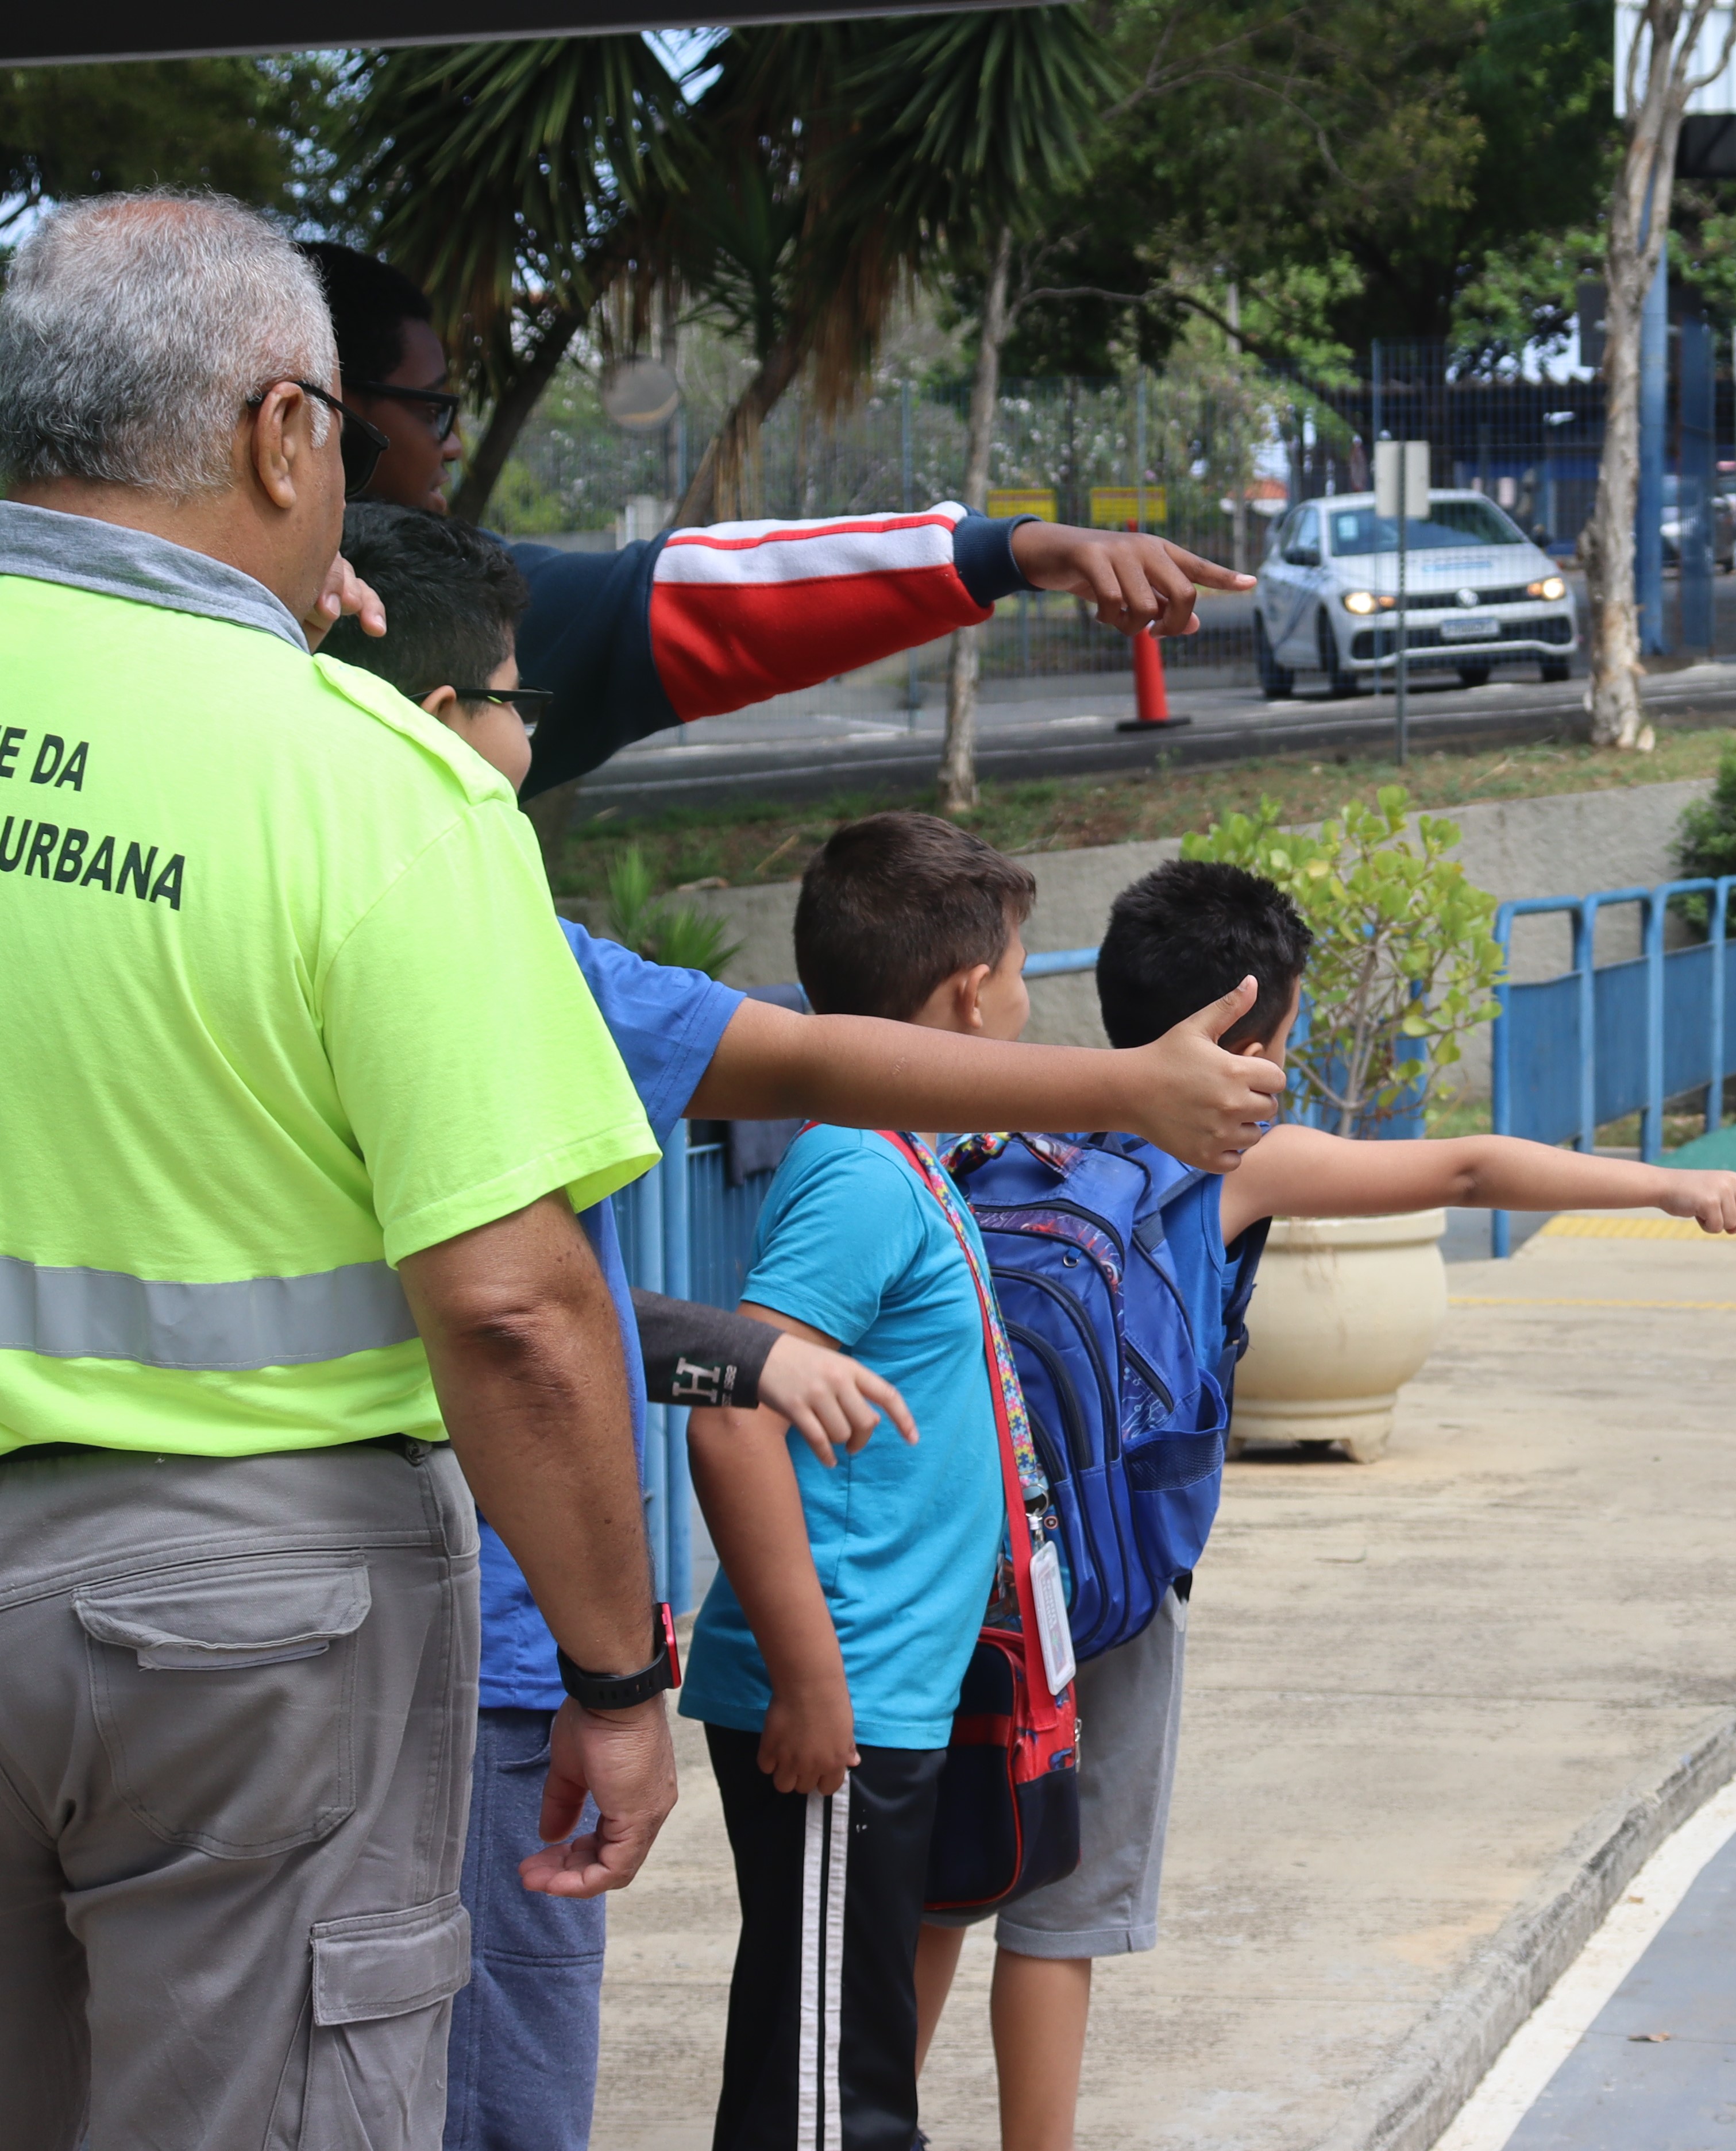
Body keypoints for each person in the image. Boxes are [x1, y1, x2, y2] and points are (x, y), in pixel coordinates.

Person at [319, 499, 1288, 2150]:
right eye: (514, 701)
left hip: (289, 1616)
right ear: (435, 732)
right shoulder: (515, 964)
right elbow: (535, 1300)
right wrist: (639, 1677)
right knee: (700, 2088)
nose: (526, 735)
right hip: (507, 1641)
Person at [0, 191, 678, 2150]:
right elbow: (515, 1307)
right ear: (286, 438)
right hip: (243, 1632)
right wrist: (618, 1680)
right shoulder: (366, 785)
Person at [912, 855, 1736, 2150]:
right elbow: (1464, 1172)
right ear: (1249, 1033)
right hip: (1106, 1592)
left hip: (963, 1576)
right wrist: (1670, 1187)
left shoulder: (997, 1137)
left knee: (941, 1887)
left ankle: (863, 2126)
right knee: (1064, 1912)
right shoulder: (1231, 1162)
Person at [302, 243, 1247, 804]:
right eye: (431, 410)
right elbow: (695, 604)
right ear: (316, 414)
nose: (454, 446)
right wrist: (1011, 550)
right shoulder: (425, 618)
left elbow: (692, 598)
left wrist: (1013, 549)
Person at [678, 815, 1050, 2150]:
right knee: (834, 2093)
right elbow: (733, 1413)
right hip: (843, 1685)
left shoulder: (909, 1153)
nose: (1024, 1000)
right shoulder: (858, 1170)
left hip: (887, 1681)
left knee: (835, 2058)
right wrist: (810, 1678)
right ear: (966, 993)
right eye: (1018, 972)